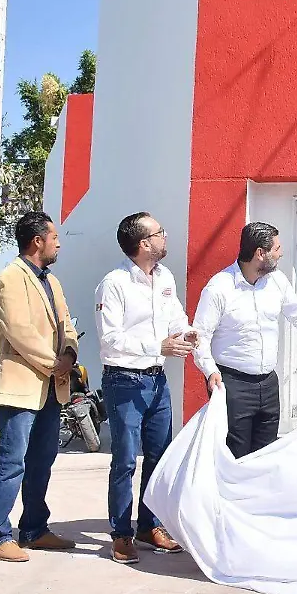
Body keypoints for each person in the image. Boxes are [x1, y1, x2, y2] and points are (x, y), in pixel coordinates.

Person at [193, 222, 297, 459]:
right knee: (234, 456)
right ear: (260, 253)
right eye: (277, 248)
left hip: (268, 385)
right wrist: (210, 371)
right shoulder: (219, 288)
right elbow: (200, 337)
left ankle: (257, 497)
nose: (281, 253)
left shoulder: (277, 282)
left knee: (265, 454)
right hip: (232, 385)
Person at [94, 212, 195, 565]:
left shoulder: (165, 277)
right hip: (124, 381)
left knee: (159, 456)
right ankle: (121, 535)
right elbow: (109, 341)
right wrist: (159, 347)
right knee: (124, 461)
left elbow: (175, 318)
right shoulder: (114, 283)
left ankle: (148, 526)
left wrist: (187, 333)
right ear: (143, 244)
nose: (165, 236)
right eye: (159, 232)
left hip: (157, 381)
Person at [0, 212, 80, 562]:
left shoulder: (51, 281)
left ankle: (34, 530)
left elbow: (66, 322)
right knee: (12, 461)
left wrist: (69, 351)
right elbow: (20, 331)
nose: (58, 242)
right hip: (22, 387)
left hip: (53, 387)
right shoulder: (10, 278)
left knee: (42, 461)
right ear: (37, 240)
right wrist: (54, 364)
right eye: (54, 236)